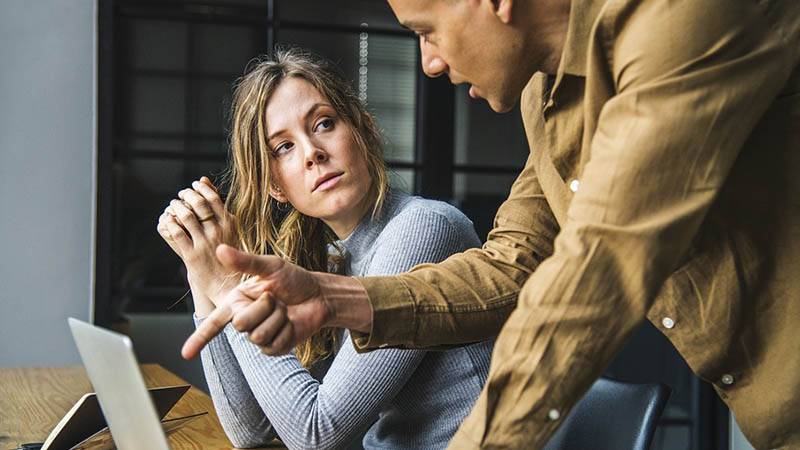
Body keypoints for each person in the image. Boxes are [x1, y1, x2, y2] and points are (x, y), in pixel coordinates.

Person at [184, 0, 800, 448]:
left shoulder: (684, 19)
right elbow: (514, 263)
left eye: (426, 30)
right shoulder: (546, 94)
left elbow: (601, 268)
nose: (426, 62)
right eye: (281, 148)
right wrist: (333, 296)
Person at [158, 48, 493, 450]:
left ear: (366, 131)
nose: (312, 153)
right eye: (284, 147)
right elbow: (251, 431)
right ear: (275, 186)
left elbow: (317, 434)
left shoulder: (424, 228)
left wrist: (229, 285)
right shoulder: (334, 259)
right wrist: (202, 271)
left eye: (323, 124)